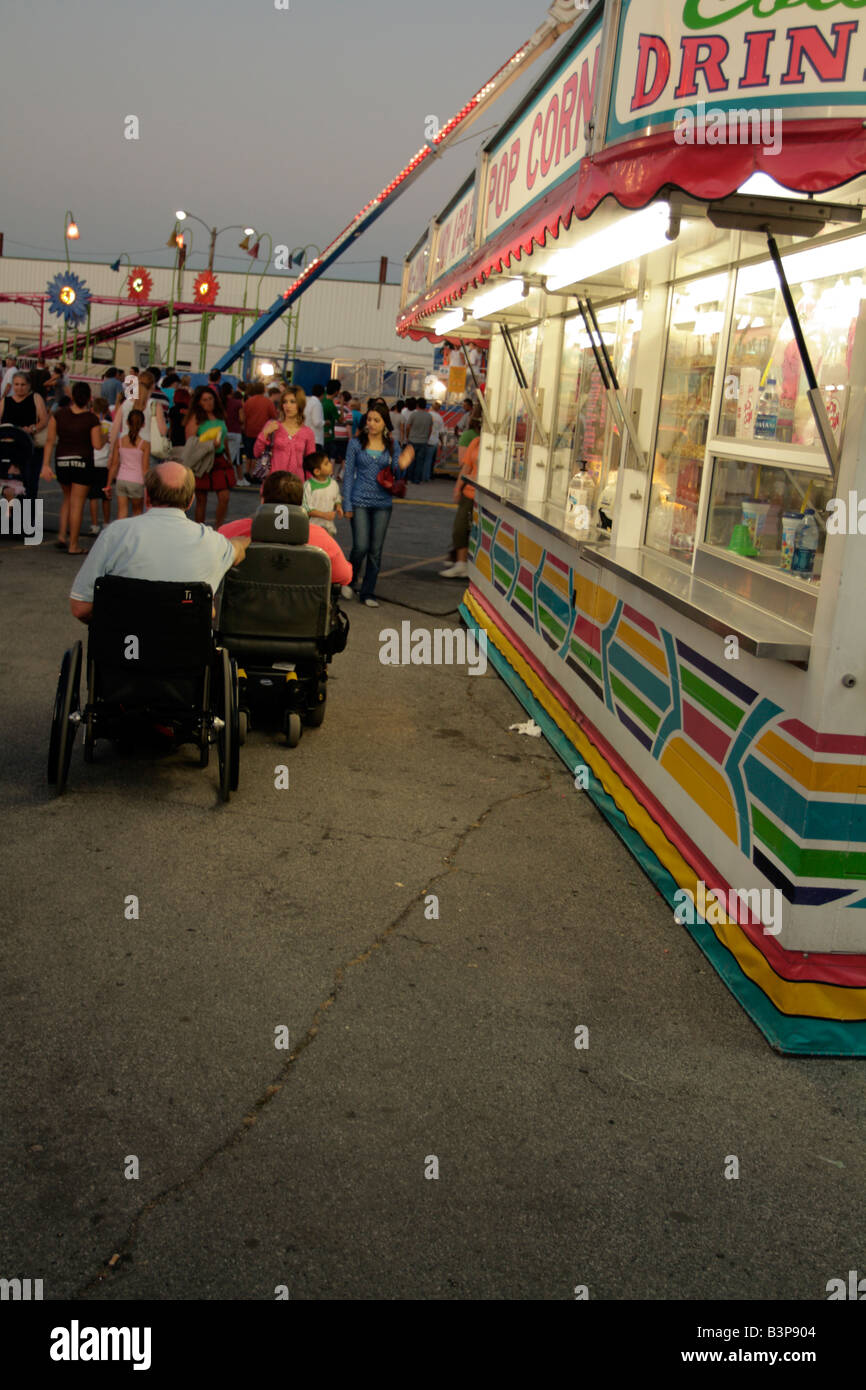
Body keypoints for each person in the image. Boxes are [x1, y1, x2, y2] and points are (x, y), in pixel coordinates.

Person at [69, 462, 250, 624]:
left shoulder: (115, 534)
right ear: (190, 501)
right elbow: (238, 549)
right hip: (184, 656)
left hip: (124, 652)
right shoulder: (212, 542)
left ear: (147, 496)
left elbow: (80, 608)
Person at [219, 470, 352, 587]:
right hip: (302, 612)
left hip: (243, 610)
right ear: (300, 504)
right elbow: (344, 576)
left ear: (262, 500)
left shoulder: (230, 532)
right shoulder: (322, 539)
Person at [341, 399, 413, 607]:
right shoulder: (355, 444)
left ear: (385, 424)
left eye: (376, 420)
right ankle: (349, 580)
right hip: (359, 500)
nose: (371, 423)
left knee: (376, 550)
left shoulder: (392, 446)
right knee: (361, 546)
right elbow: (347, 476)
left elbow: (398, 472)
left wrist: (403, 464)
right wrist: (347, 505)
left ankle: (368, 592)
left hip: (383, 502)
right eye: (369, 419)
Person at [41, 381, 104, 555]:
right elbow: (97, 445)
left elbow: (50, 441)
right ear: (89, 398)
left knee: (67, 498)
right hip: (82, 462)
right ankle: (73, 544)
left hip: (62, 460)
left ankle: (62, 535)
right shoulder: (91, 419)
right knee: (77, 503)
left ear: (72, 397)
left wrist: (46, 464)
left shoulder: (58, 415)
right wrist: (105, 438)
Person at [185, 384, 235, 529]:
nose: (208, 402)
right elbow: (190, 445)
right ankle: (199, 530)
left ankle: (219, 529)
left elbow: (224, 438)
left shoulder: (219, 416)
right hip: (203, 461)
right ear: (198, 402)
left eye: (210, 399)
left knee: (224, 497)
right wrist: (208, 445)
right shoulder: (195, 419)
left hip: (220, 459)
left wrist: (229, 458)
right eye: (204, 400)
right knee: (201, 500)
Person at [0, 370, 49, 502]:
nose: (19, 387)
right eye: (16, 384)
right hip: (8, 450)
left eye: (22, 384)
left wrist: (32, 428)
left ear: (28, 385)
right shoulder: (6, 401)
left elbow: (44, 420)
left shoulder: (35, 398)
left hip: (30, 448)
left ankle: (29, 519)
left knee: (30, 484)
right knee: (8, 485)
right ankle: (10, 517)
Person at [254, 385, 316, 482]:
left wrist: (310, 488)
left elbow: (311, 464)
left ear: (300, 404)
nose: (288, 406)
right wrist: (264, 433)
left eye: (292, 402)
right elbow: (257, 452)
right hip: (274, 484)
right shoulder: (272, 425)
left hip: (296, 486)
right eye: (285, 402)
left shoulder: (307, 432)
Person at [441, 431, 479, 579]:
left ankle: (467, 563)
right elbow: (466, 467)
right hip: (469, 493)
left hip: (485, 497)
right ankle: (461, 563)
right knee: (460, 528)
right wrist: (458, 487)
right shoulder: (476, 442)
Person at [106, 407, 150, 519]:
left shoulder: (120, 442)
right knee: (137, 514)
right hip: (136, 481)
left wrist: (108, 484)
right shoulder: (144, 444)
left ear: (126, 423)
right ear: (143, 425)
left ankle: (121, 535)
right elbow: (145, 469)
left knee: (122, 513)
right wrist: (149, 489)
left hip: (121, 479)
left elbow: (114, 464)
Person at [240, 383, 276, 483]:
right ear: (263, 390)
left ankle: (248, 472)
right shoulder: (268, 402)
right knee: (260, 454)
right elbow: (273, 416)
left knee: (249, 454)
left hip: (249, 430)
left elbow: (244, 416)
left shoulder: (249, 401)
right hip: (262, 433)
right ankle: (257, 474)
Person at [302, 451, 343, 537]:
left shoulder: (333, 484)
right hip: (312, 529)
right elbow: (305, 508)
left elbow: (336, 498)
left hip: (329, 529)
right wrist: (324, 515)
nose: (331, 464)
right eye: (326, 463)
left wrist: (338, 506)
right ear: (317, 471)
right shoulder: (308, 486)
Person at [88, 396, 112, 535]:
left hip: (93, 462)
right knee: (105, 495)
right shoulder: (111, 425)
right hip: (105, 463)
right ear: (107, 409)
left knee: (93, 496)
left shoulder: (91, 424)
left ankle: (94, 524)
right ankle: (107, 523)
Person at [221, 382, 244, 484]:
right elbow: (241, 419)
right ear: (231, 391)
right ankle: (228, 478)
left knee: (222, 456)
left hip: (222, 431)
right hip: (235, 431)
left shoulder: (220, 402)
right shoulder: (237, 403)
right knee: (231, 457)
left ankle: (221, 477)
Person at [322, 378, 341, 459]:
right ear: (337, 391)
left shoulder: (322, 398)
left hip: (319, 435)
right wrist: (342, 404)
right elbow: (341, 420)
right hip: (329, 436)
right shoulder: (331, 406)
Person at [428, 401, 446, 478]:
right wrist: (442, 443)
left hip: (425, 440)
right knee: (432, 460)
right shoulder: (439, 418)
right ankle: (430, 474)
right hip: (434, 441)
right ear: (439, 409)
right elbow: (440, 433)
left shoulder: (428, 415)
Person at [306, 383, 325, 448]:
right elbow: (316, 422)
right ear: (322, 394)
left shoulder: (309, 402)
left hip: (308, 437)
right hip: (315, 439)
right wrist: (325, 422)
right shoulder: (317, 404)